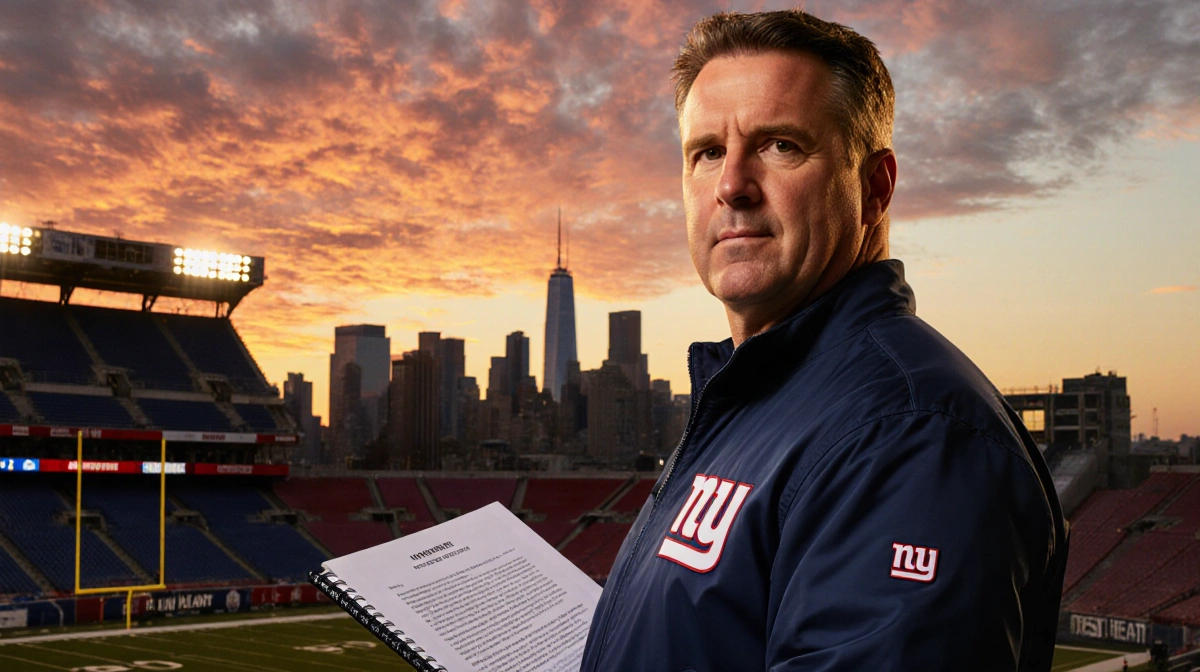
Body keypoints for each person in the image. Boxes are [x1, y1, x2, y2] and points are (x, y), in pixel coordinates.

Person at [579, 9, 1068, 671]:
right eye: (707, 153)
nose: (732, 186)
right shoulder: (755, 402)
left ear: (875, 187)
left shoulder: (908, 434)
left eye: (780, 145)